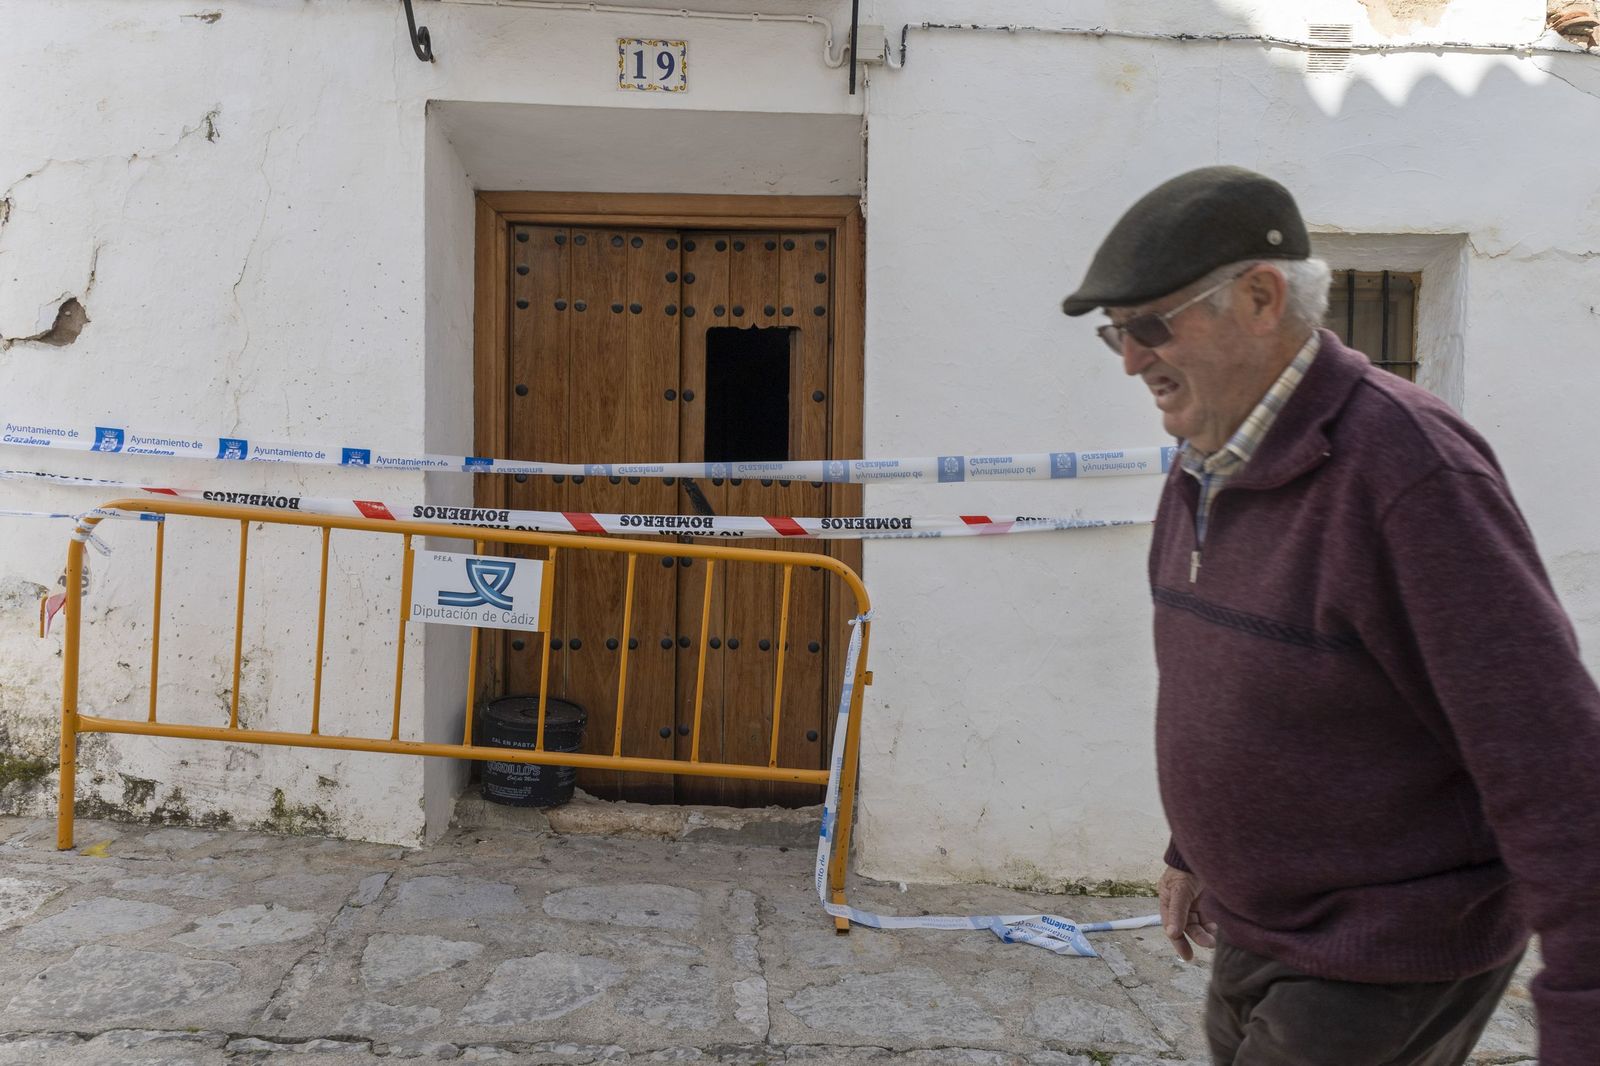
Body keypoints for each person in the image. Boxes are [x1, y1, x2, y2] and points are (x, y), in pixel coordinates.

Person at [1060, 165, 1600, 1066]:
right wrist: (1193, 849)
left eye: (1150, 326)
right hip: (1262, 928)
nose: (1129, 360)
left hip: (1382, 953)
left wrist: (1584, 1018)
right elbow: (1227, 684)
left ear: (1260, 299)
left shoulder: (1409, 471)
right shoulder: (1206, 458)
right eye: (1117, 332)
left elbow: (1553, 761)